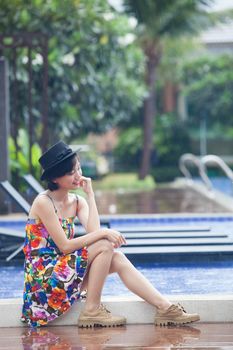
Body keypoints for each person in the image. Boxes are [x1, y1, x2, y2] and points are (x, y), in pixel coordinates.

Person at [21, 141, 200, 328]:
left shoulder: (77, 201)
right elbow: (66, 246)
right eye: (70, 172)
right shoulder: (43, 202)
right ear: (55, 178)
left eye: (78, 169)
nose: (78, 176)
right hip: (42, 284)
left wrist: (90, 195)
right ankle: (92, 310)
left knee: (117, 258)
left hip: (63, 274)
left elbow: (94, 233)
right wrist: (105, 232)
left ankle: (165, 308)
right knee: (105, 244)